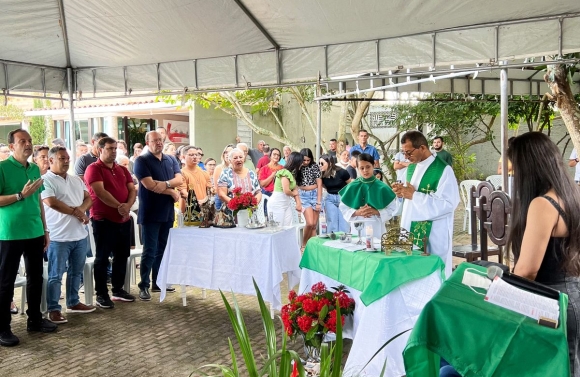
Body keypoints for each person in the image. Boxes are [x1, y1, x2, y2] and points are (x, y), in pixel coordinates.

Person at [507, 132, 580, 375]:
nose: (513, 175)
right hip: (573, 296)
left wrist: (499, 292)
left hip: (550, 304)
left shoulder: (542, 204)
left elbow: (527, 270)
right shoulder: (572, 194)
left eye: (515, 168)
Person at [0, 129, 57, 347]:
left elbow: (38, 202)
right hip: (9, 233)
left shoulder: (34, 168)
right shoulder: (2, 168)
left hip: (34, 231)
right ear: (12, 146)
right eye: (22, 141)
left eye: (29, 141)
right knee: (5, 282)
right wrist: (19, 195)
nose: (27, 144)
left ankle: (35, 319)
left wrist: (45, 230)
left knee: (36, 277)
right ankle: (3, 327)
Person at [392, 131, 459, 277]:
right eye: (403, 152)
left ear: (422, 148)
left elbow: (449, 204)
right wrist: (401, 192)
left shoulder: (443, 170)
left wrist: (414, 195)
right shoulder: (411, 167)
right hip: (409, 228)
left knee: (432, 277)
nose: (405, 157)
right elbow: (408, 194)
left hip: (433, 233)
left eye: (408, 152)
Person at [42, 146, 95, 324]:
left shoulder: (75, 180)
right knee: (56, 275)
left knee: (76, 272)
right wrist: (78, 213)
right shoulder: (45, 180)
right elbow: (51, 202)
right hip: (58, 236)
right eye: (61, 158)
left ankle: (73, 302)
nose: (66, 161)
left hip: (79, 234)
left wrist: (81, 210)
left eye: (67, 158)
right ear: (50, 161)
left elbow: (89, 198)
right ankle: (54, 309)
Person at [85, 137, 137, 308]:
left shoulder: (122, 169)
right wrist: (119, 206)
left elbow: (132, 189)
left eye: (115, 148)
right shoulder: (93, 169)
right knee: (102, 258)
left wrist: (127, 206)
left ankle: (118, 289)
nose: (114, 151)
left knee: (122, 256)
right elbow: (99, 192)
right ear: (100, 150)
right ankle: (101, 294)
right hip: (104, 220)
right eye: (110, 148)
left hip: (123, 219)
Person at [133, 131, 182, 301]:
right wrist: (171, 191)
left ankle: (158, 282)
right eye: (154, 141)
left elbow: (179, 179)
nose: (158, 143)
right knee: (150, 250)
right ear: (147, 142)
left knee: (162, 249)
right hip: (150, 212)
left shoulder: (171, 159)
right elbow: (149, 185)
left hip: (167, 212)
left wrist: (165, 184)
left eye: (160, 140)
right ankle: (144, 285)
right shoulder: (141, 161)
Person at [339, 153, 397, 238]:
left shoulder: (382, 187)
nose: (365, 170)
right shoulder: (352, 186)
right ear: (357, 169)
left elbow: (392, 208)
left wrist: (376, 212)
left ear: (373, 165)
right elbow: (343, 207)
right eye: (361, 168)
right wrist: (356, 212)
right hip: (357, 224)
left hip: (376, 225)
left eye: (368, 167)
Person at [217, 148, 262, 214]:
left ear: (244, 159)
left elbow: (258, 192)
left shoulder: (251, 173)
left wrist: (254, 204)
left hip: (250, 212)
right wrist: (237, 205)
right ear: (230, 160)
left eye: (240, 157)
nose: (238, 159)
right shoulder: (225, 173)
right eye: (235, 158)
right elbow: (221, 194)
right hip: (231, 213)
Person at [178, 146, 211, 226]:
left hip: (204, 213)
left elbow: (210, 190)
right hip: (188, 214)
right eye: (191, 155)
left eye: (196, 154)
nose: (195, 157)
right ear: (183, 157)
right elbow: (183, 192)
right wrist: (196, 202)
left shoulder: (204, 173)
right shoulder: (181, 173)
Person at [268, 152, 303, 226]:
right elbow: (286, 190)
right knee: (278, 228)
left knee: (287, 227)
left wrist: (298, 202)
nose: (302, 164)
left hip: (286, 203)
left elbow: (294, 188)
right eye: (301, 162)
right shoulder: (284, 172)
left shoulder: (291, 174)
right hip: (277, 203)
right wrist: (294, 194)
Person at [319, 154, 351, 233]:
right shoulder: (322, 175)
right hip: (330, 198)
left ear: (329, 163)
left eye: (322, 163)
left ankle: (344, 239)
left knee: (343, 222)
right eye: (319, 163)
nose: (320, 165)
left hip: (342, 197)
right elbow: (324, 186)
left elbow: (350, 184)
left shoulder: (342, 172)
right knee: (332, 220)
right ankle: (333, 239)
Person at [298, 148, 322, 249]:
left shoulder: (314, 166)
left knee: (313, 226)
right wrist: (304, 188)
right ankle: (303, 245)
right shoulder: (298, 167)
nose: (306, 162)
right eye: (304, 160)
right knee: (309, 223)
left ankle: (313, 248)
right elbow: (296, 185)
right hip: (303, 196)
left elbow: (319, 184)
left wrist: (319, 202)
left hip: (315, 195)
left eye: (308, 160)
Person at [213, 144, 234, 210]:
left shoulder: (238, 169)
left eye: (230, 152)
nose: (227, 154)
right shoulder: (219, 168)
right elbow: (216, 188)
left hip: (234, 199)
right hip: (221, 200)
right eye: (226, 152)